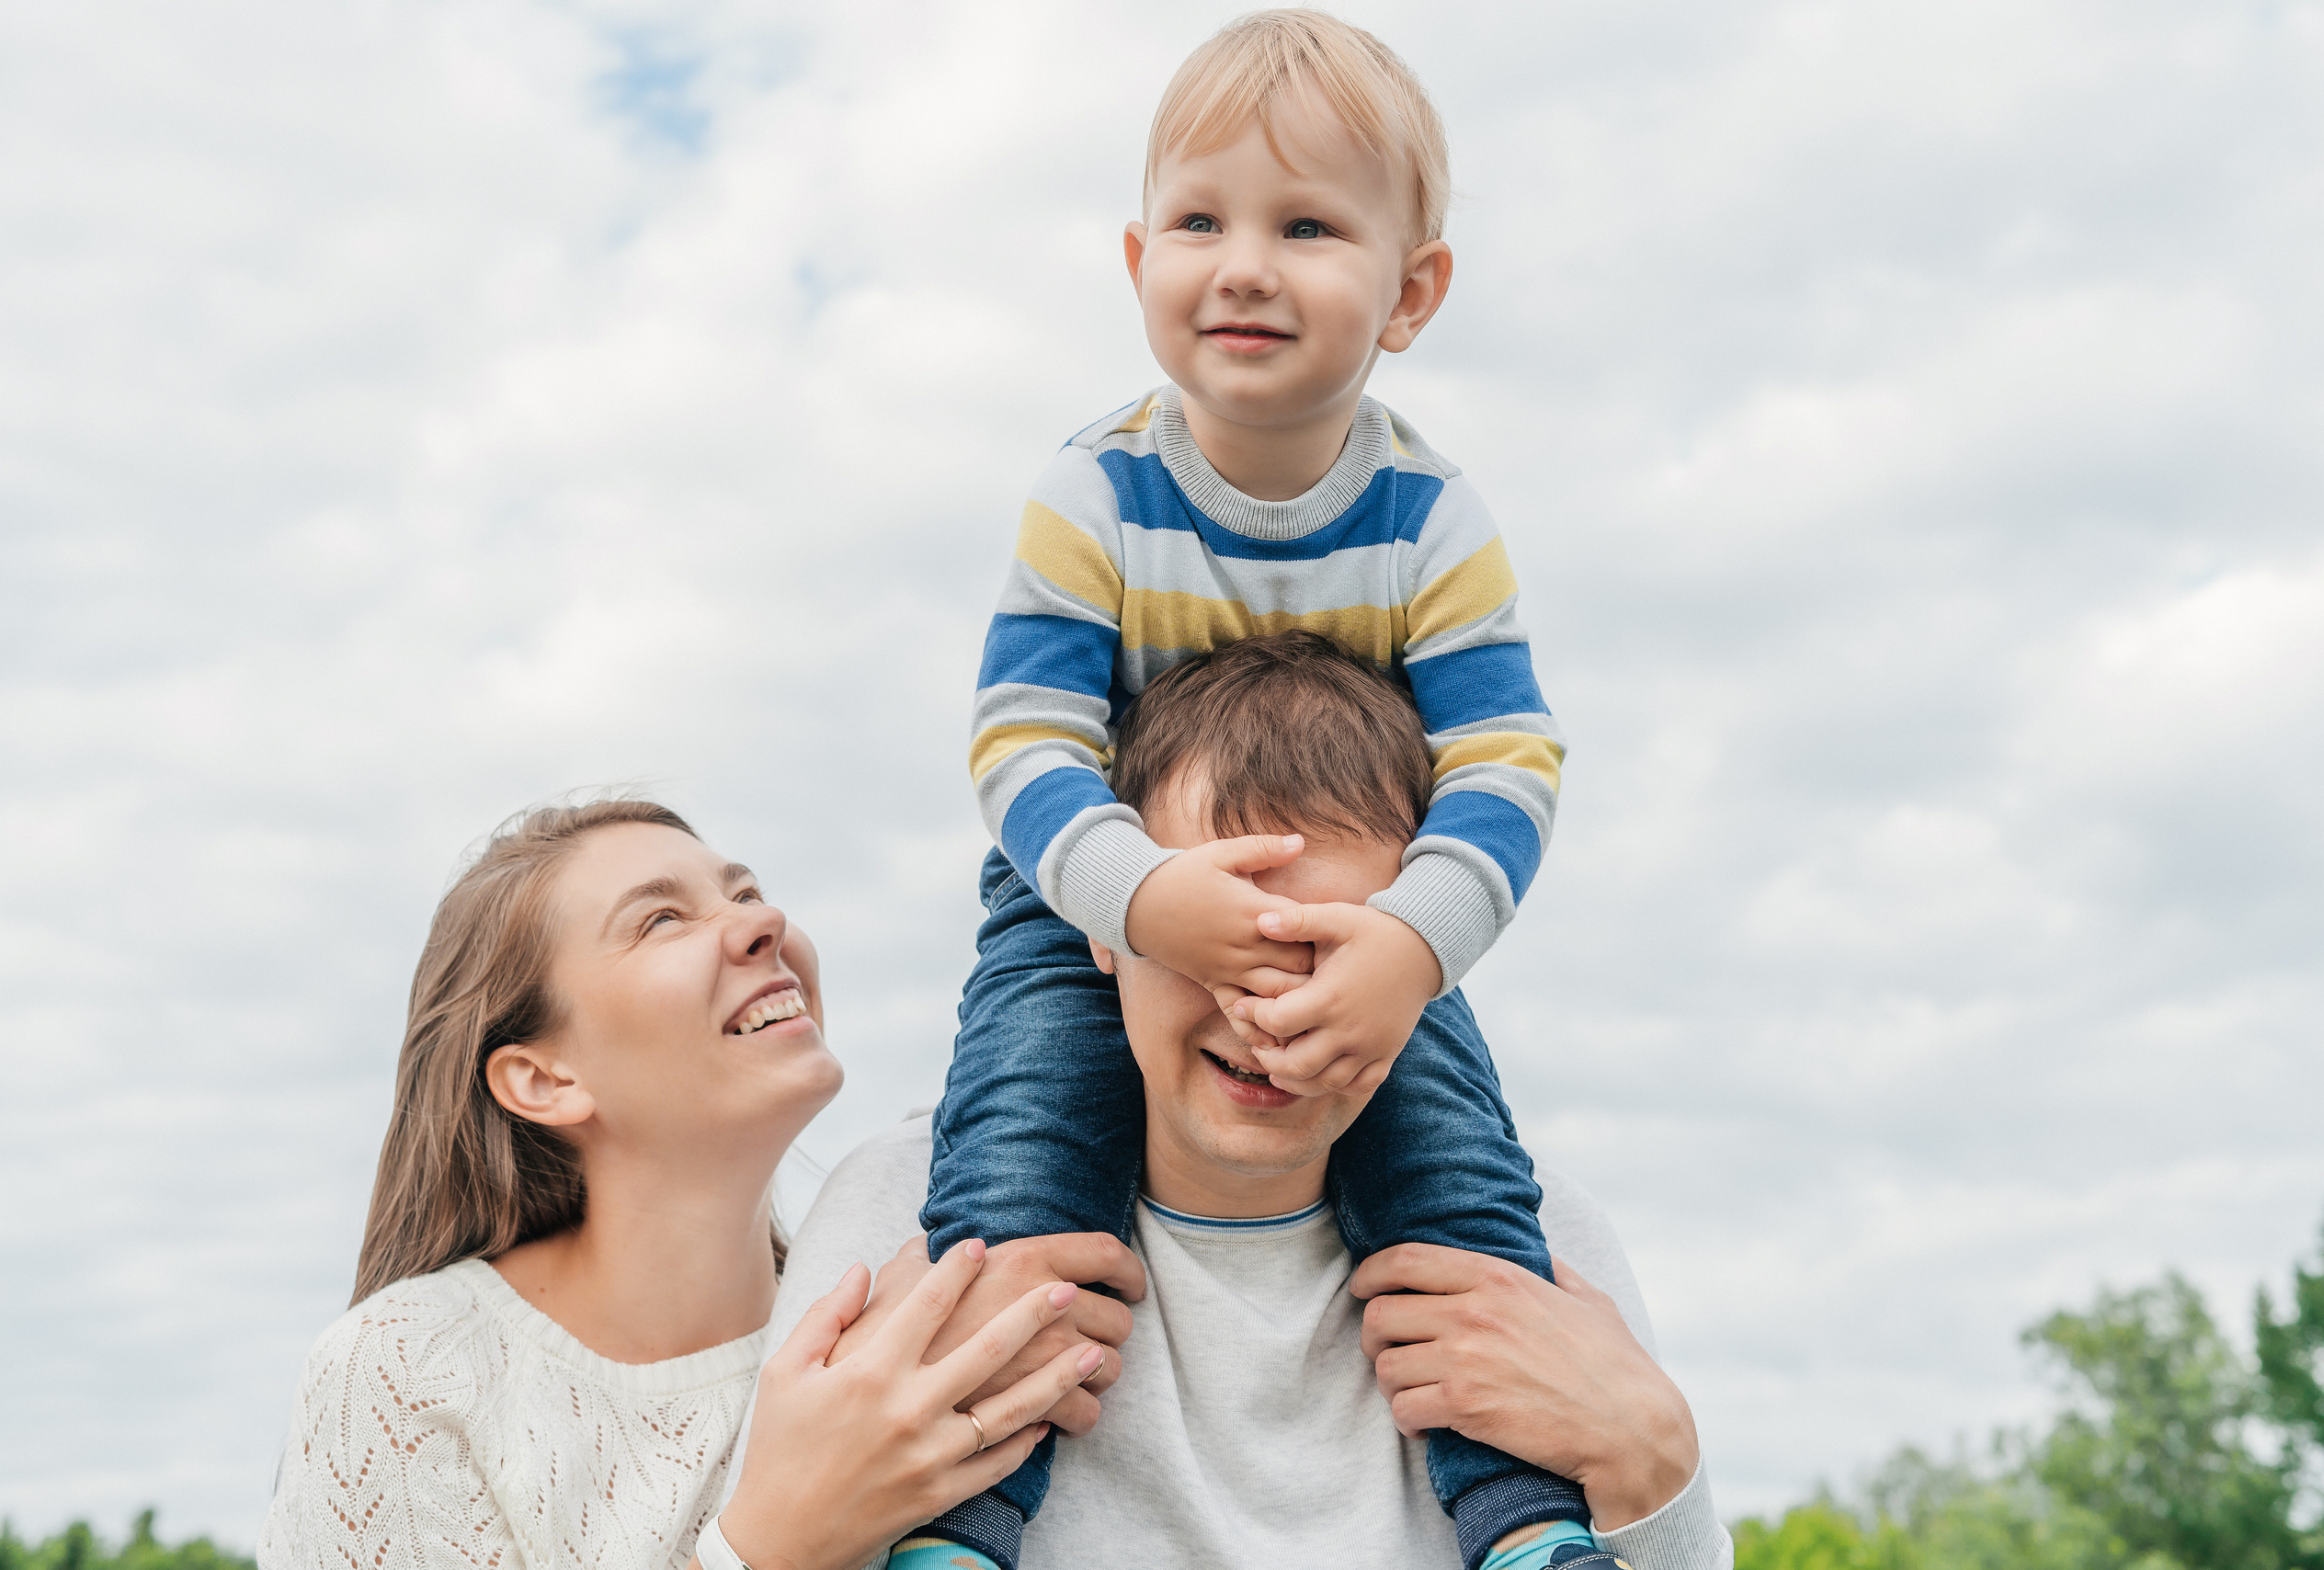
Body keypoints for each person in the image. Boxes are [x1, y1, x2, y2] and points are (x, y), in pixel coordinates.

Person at [929, 13, 1578, 1568]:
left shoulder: (1432, 520)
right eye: (1201, 222)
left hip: (1359, 917)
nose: (1244, 267)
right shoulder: (1096, 491)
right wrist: (1141, 900)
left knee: (1461, 1185)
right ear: (1139, 257)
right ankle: (954, 1524)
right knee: (1016, 1170)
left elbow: (1507, 759)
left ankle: (1524, 1521)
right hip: (1092, 896)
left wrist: (1408, 947)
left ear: (1411, 292)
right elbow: (1022, 739)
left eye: (1306, 227)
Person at [769, 637, 1735, 1570]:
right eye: (1217, 939)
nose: (1269, 1007)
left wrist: (1657, 1466)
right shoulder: (901, 1214)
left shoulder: (1545, 1248)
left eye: (1329, 950)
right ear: (1099, 924)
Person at [256, 800, 1139, 1570]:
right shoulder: (408, 1371)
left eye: (746, 893)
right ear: (544, 1079)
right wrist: (774, 1543)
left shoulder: (912, 1313)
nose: (765, 921)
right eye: (660, 921)